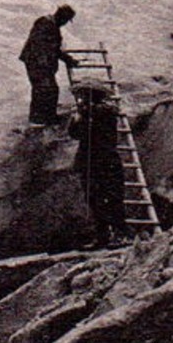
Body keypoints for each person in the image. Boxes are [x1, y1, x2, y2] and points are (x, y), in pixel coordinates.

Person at [69, 83, 129, 246]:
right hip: (90, 161)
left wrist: (82, 114)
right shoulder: (89, 112)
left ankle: (120, 233)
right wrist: (77, 117)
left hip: (105, 160)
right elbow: (75, 133)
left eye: (84, 95)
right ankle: (103, 235)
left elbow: (87, 128)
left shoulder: (104, 111)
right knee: (94, 199)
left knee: (112, 197)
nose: (81, 99)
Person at [18, 5, 77, 126]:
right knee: (45, 89)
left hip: (41, 63)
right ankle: (41, 120)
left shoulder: (51, 25)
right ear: (62, 17)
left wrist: (67, 59)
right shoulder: (45, 24)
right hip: (37, 63)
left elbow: (53, 49)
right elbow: (39, 46)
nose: (65, 23)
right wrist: (45, 65)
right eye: (66, 20)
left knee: (45, 90)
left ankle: (44, 118)